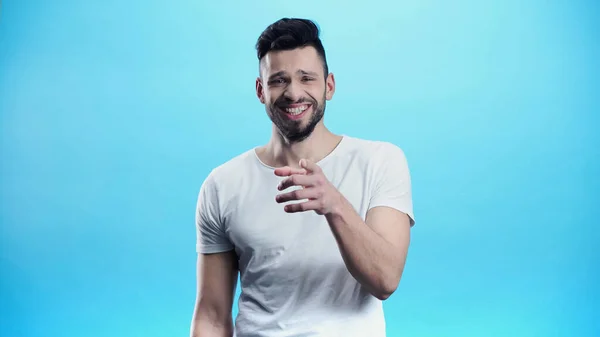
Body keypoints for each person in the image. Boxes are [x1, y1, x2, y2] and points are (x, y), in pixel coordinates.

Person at [190, 17, 415, 337]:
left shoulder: (381, 161)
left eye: (307, 78)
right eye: (278, 80)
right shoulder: (222, 184)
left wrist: (334, 204)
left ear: (329, 86)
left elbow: (385, 280)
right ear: (260, 90)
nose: (293, 93)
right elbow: (211, 315)